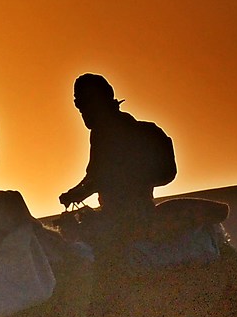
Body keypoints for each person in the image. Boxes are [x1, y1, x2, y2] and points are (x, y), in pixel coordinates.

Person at [58, 73, 176, 245]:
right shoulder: (102, 133)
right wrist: (74, 192)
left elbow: (101, 178)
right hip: (119, 215)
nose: (82, 110)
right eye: (78, 104)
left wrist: (77, 194)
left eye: (84, 103)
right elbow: (94, 176)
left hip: (128, 219)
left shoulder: (111, 133)